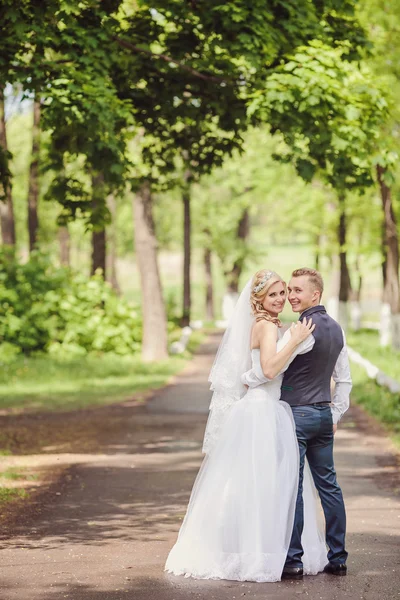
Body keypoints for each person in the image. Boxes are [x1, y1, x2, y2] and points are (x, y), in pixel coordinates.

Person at [165, 269, 327, 583]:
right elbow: (268, 370)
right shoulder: (266, 326)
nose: (281, 299)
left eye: (283, 293)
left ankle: (262, 550)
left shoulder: (266, 324)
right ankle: (257, 555)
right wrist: (292, 342)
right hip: (261, 412)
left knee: (261, 485)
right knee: (261, 484)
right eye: (273, 295)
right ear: (258, 299)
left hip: (268, 407)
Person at [242, 267, 352, 580]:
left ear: (315, 294)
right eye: (287, 290)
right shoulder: (337, 329)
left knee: (293, 487)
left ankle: (293, 560)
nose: (290, 296)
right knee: (329, 487)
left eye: (296, 291)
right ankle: (339, 557)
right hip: (322, 415)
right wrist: (335, 414)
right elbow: (344, 379)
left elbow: (270, 370)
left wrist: (245, 379)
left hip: (297, 415)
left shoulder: (299, 329)